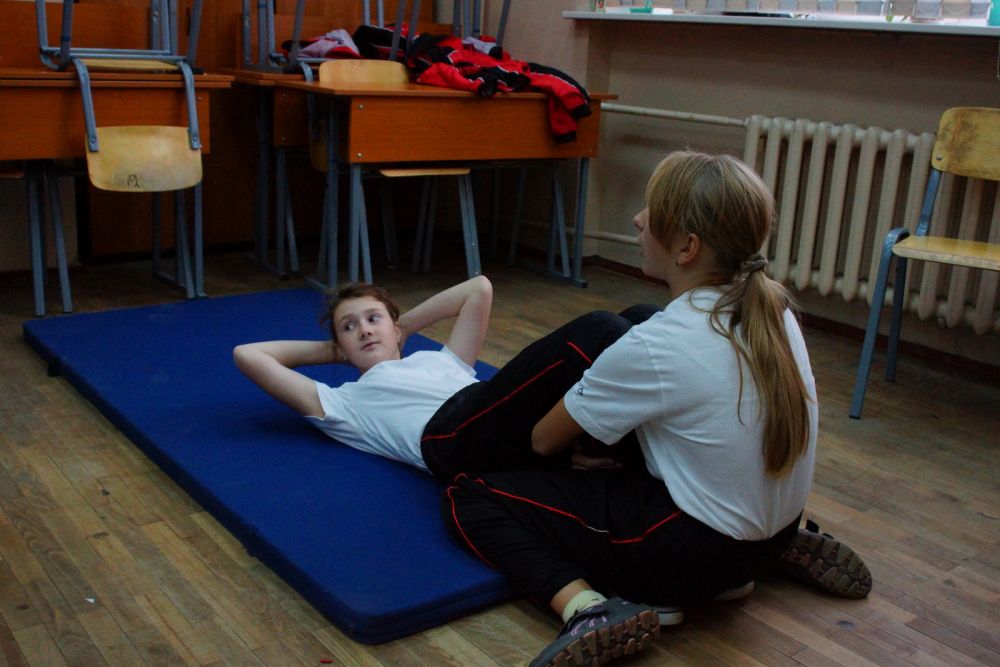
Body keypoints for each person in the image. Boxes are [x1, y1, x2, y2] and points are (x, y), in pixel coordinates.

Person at [440, 152, 870, 667]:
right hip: (768, 537)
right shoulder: (774, 311)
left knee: (472, 497)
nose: (638, 220)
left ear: (687, 247)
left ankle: (588, 608)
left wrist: (577, 447)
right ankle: (756, 563)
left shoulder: (659, 344)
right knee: (640, 332)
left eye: (651, 211)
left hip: (686, 556)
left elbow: (542, 441)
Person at [233, 275, 650, 481]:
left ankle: (639, 455)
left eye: (373, 319)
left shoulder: (441, 361)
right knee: (600, 328)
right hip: (449, 437)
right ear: (340, 345)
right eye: (349, 326)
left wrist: (401, 331)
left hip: (490, 411)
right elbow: (248, 355)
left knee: (639, 319)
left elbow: (479, 288)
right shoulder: (344, 402)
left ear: (395, 327)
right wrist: (336, 352)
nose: (364, 330)